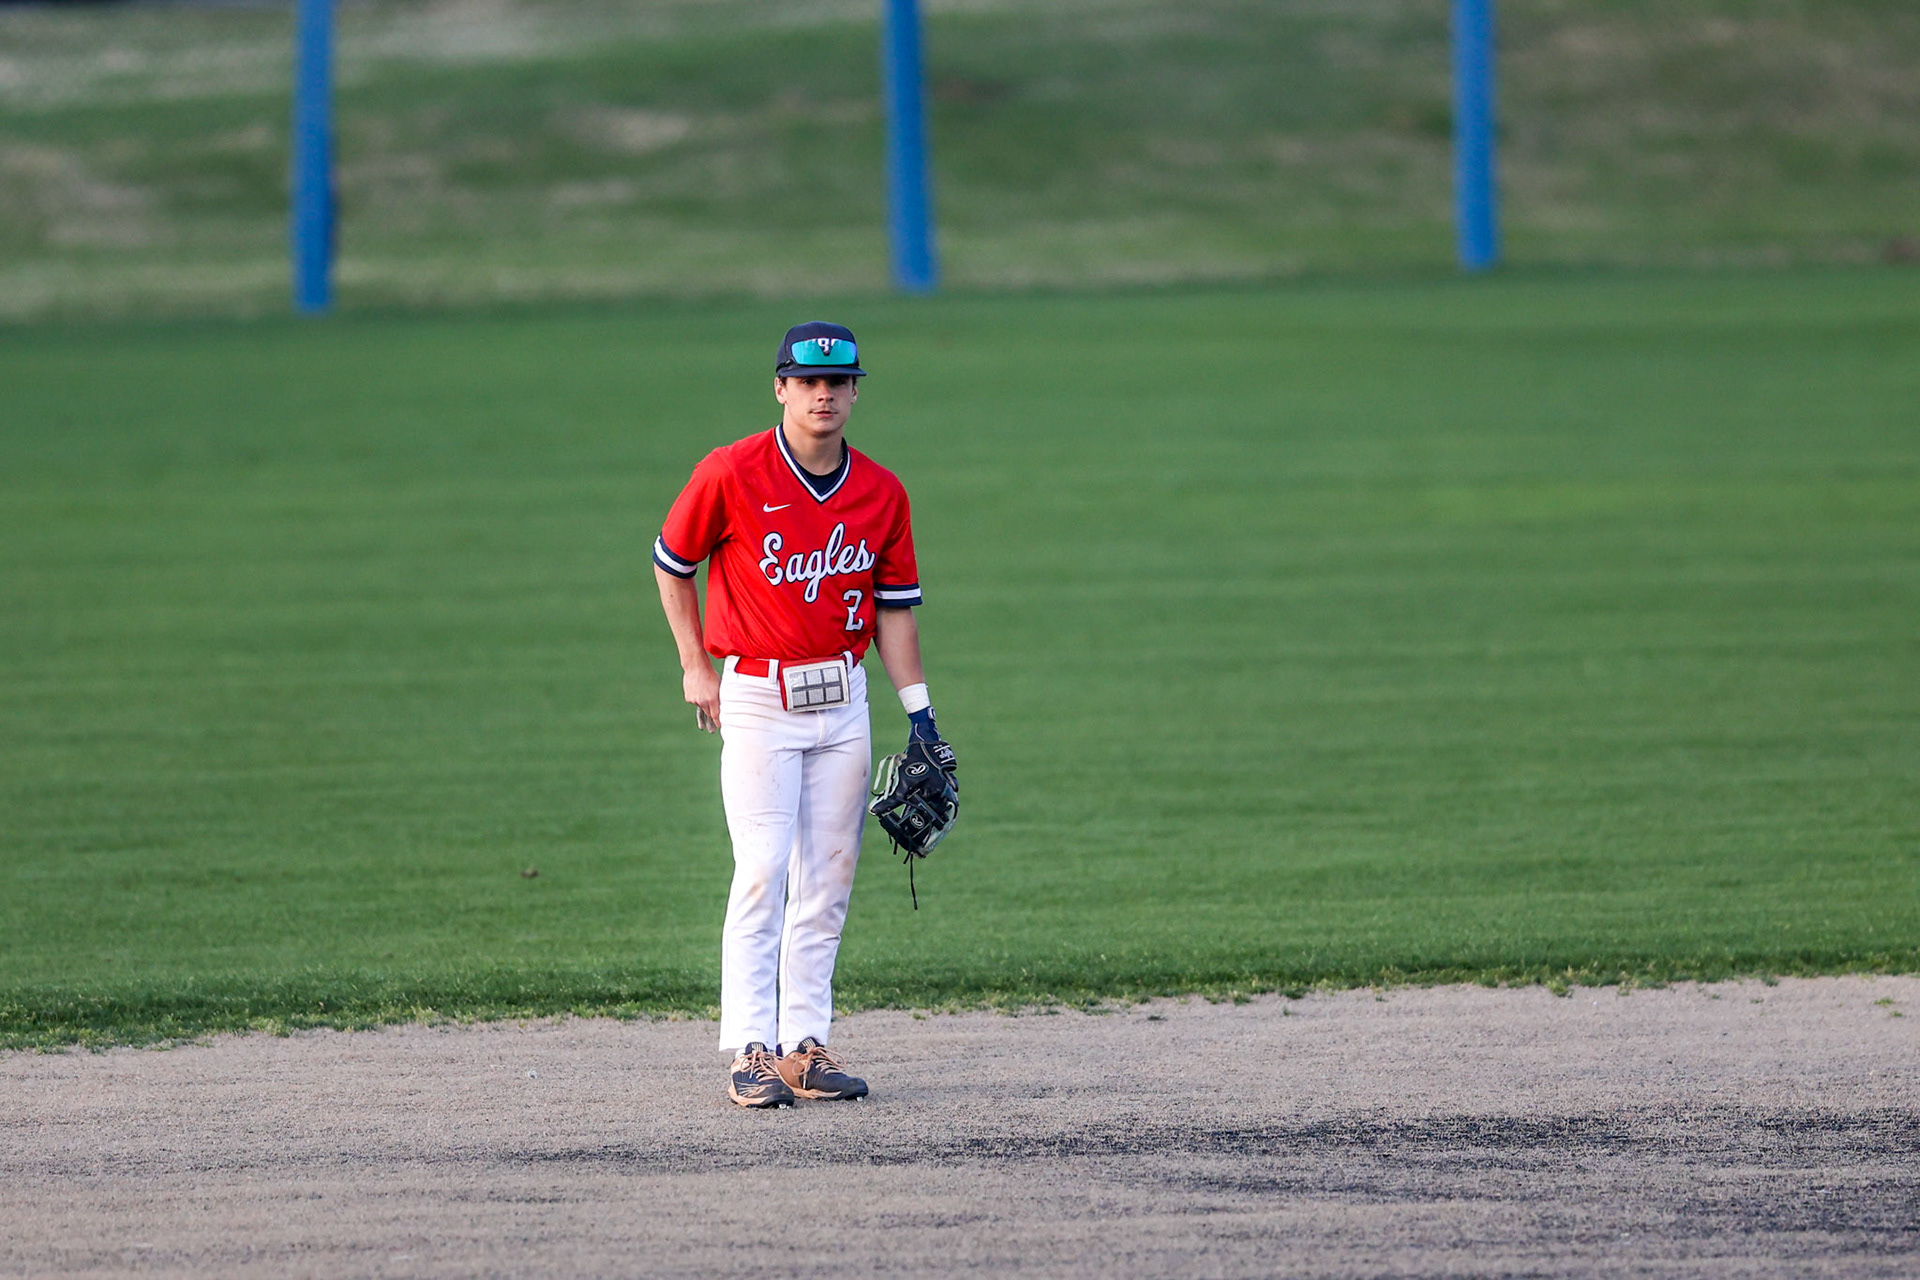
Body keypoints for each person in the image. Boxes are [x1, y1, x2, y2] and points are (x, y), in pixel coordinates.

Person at [652, 321, 954, 1108]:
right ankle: (748, 1049)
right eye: (807, 381)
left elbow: (894, 612)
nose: (824, 394)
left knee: (828, 879)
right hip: (756, 694)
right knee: (762, 870)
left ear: (855, 391)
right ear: (780, 388)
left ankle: (802, 1047)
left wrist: (920, 718)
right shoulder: (731, 472)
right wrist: (694, 663)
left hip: (843, 703)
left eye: (839, 381)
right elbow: (672, 564)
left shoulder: (881, 492)